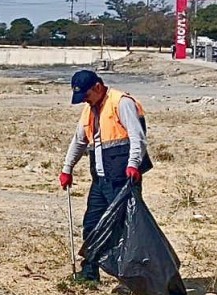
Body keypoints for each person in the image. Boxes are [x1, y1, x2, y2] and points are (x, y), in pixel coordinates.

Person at [58, 69, 152, 282]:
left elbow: (137, 137)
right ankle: (89, 273)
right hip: (100, 181)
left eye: (86, 95)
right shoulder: (89, 109)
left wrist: (133, 164)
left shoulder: (121, 102)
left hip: (123, 180)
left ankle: (135, 278)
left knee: (126, 229)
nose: (85, 100)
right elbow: (79, 140)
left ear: (98, 87)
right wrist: (67, 168)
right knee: (92, 225)